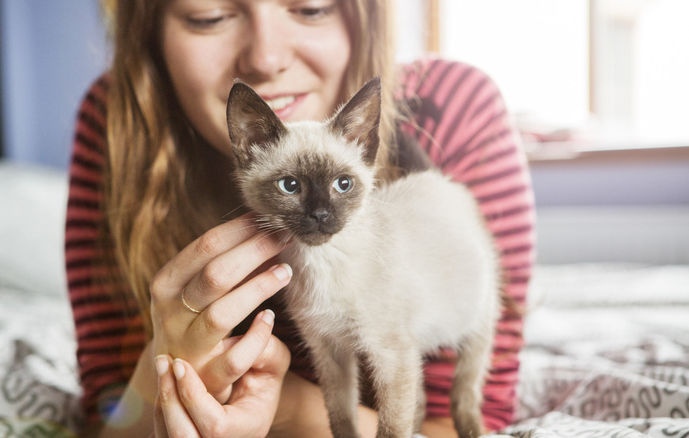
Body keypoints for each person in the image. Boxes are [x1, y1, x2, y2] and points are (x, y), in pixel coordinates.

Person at [65, 0, 535, 436]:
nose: (266, 59)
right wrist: (161, 368)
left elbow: (467, 425)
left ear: (362, 14)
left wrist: (286, 408)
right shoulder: (119, 124)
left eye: (310, 8)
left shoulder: (452, 104)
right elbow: (109, 419)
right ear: (149, 28)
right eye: (209, 16)